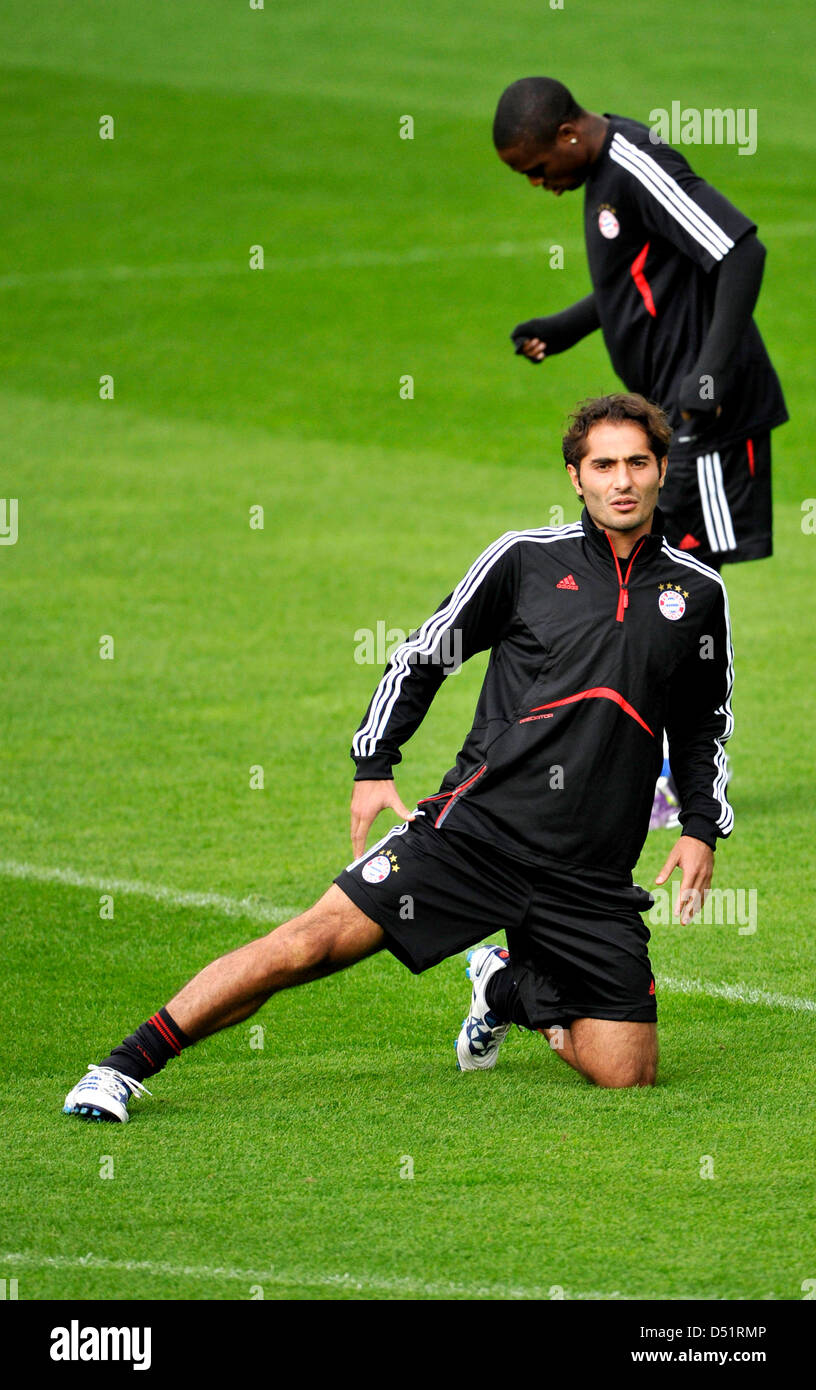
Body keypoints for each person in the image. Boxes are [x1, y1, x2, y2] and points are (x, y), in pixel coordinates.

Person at [63, 393, 733, 1121]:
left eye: (637, 462)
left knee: (626, 1074)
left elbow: (704, 723)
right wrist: (374, 762)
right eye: (603, 465)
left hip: (590, 874)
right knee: (309, 946)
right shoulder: (523, 561)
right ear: (576, 478)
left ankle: (506, 988)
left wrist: (700, 825)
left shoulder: (697, 593)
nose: (622, 481)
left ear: (663, 469)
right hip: (476, 836)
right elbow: (423, 657)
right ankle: (121, 1067)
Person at [493, 77, 781, 827]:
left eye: (536, 168)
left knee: (676, 592)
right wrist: (567, 325)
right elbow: (636, 279)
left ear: (566, 136)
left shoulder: (638, 163)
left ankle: (679, 780)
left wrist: (709, 373)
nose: (537, 184)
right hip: (670, 422)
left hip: (709, 422)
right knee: (654, 587)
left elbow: (740, 250)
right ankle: (656, 774)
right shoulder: (600, 174)